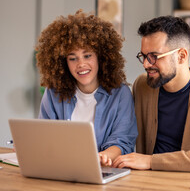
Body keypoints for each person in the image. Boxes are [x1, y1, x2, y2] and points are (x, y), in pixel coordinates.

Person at [111, 16, 190, 172]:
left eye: (154, 56)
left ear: (181, 56)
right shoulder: (142, 86)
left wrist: (150, 161)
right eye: (144, 56)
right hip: (145, 182)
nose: (147, 64)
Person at [35, 9, 138, 166]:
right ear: (63, 63)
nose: (81, 64)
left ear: (101, 56)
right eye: (72, 58)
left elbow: (123, 141)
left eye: (87, 55)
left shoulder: (120, 94)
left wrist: (102, 157)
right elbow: (44, 136)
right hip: (60, 169)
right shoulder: (53, 93)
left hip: (103, 173)